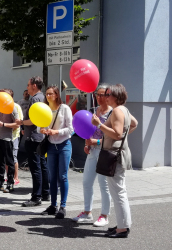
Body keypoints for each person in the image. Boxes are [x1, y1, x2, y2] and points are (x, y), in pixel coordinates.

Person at [91, 84, 138, 238]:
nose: (105, 96)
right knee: (119, 191)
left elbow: (117, 134)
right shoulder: (124, 109)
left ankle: (123, 229)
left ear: (116, 96)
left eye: (108, 94)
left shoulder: (117, 110)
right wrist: (124, 136)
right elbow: (134, 124)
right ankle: (123, 224)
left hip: (114, 155)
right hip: (118, 153)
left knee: (118, 193)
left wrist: (100, 125)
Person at [72, 84, 112, 226]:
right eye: (97, 94)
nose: (99, 97)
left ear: (108, 96)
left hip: (104, 152)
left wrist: (97, 142)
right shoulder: (93, 111)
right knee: (87, 182)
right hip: (92, 152)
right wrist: (87, 144)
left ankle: (104, 215)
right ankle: (87, 212)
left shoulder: (112, 114)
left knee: (103, 185)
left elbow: (113, 137)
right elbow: (87, 131)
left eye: (102, 95)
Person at [39, 86, 73, 219]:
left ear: (56, 94)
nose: (48, 96)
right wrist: (41, 130)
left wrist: (56, 132)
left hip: (64, 145)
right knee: (52, 177)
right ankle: (53, 205)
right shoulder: (45, 109)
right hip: (51, 146)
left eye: (51, 94)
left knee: (62, 176)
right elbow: (39, 126)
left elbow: (70, 129)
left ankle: (63, 206)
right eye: (47, 94)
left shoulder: (64, 108)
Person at [17, 76, 49, 207]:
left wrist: (22, 123)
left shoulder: (35, 99)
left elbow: (34, 119)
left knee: (35, 167)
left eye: (28, 85)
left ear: (34, 85)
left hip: (34, 138)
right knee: (42, 165)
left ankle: (36, 197)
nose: (27, 87)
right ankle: (46, 193)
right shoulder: (43, 97)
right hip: (40, 136)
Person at [0, 89, 20, 193]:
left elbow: (17, 124)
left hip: (7, 139)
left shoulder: (13, 108)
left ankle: (10, 183)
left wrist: (3, 124)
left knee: (9, 161)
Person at [5, 89, 23, 185]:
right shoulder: (2, 107)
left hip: (14, 136)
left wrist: (5, 125)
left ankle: (16, 177)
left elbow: (18, 123)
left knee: (13, 157)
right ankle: (9, 176)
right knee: (6, 157)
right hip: (4, 136)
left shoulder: (16, 107)